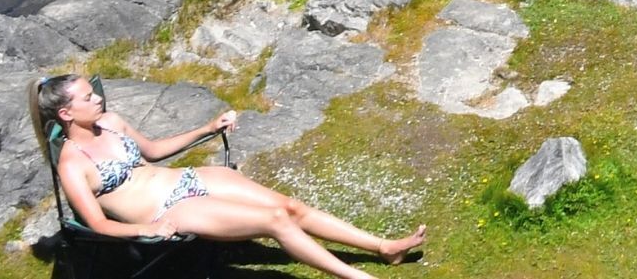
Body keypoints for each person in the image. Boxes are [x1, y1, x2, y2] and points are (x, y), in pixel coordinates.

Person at [34, 75, 424, 279]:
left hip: (186, 178)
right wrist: (147, 229)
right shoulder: (73, 164)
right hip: (169, 209)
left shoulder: (112, 123)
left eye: (93, 93)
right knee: (274, 222)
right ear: (66, 114)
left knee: (288, 206)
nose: (98, 99)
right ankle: (352, 276)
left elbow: (152, 152)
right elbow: (99, 224)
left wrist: (207, 127)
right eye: (87, 98)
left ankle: (384, 247)